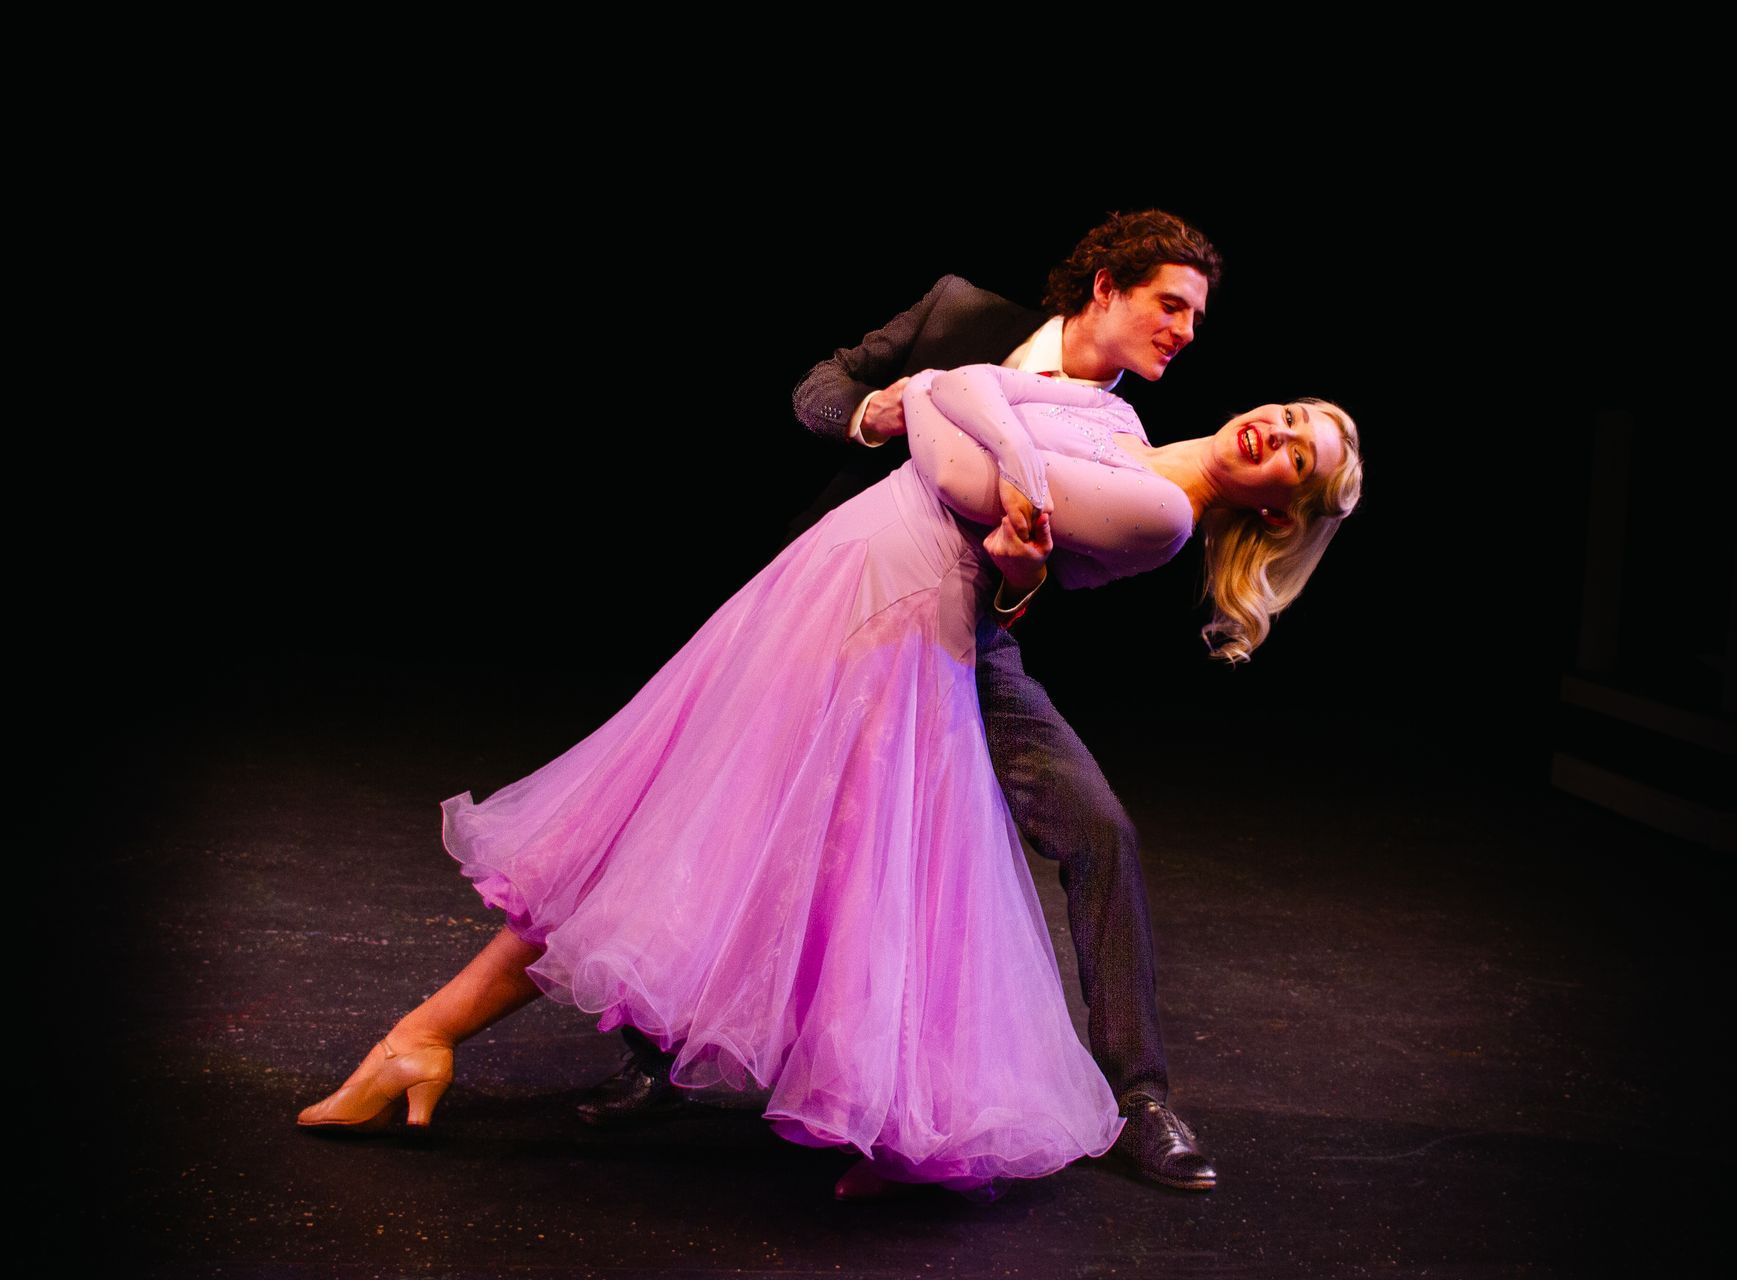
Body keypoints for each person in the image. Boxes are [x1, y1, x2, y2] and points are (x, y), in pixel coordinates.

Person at [296, 359, 1363, 1199]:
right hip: (842, 577)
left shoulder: (1164, 515)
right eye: (1286, 413)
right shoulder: (1120, 426)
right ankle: (424, 1039)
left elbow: (950, 454)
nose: (1272, 430)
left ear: (1279, 510)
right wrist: (965, 413)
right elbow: (957, 389)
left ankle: (425, 1041)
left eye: (1296, 458)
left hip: (891, 614)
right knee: (682, 822)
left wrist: (970, 427)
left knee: (742, 848)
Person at [585, 210, 1236, 1191]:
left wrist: (1018, 580)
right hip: (848, 611)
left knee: (1099, 827)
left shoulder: (1126, 433)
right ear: (1105, 284)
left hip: (972, 644)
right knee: (755, 822)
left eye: (1195, 315)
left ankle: (1139, 1094)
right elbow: (816, 387)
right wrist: (869, 413)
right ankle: (659, 1048)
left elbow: (1058, 581)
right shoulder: (961, 312)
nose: (1186, 330)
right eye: (1170, 304)